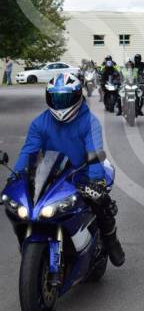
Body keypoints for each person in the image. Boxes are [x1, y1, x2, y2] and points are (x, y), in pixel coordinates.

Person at [12, 73, 125, 266]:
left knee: (101, 205)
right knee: (25, 209)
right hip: (49, 175)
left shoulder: (89, 122)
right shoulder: (40, 123)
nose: (60, 103)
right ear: (49, 97)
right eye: (56, 97)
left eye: (65, 97)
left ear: (77, 96)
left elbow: (95, 152)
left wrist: (96, 181)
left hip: (82, 174)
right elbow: (27, 151)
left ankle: (110, 239)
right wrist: (16, 177)